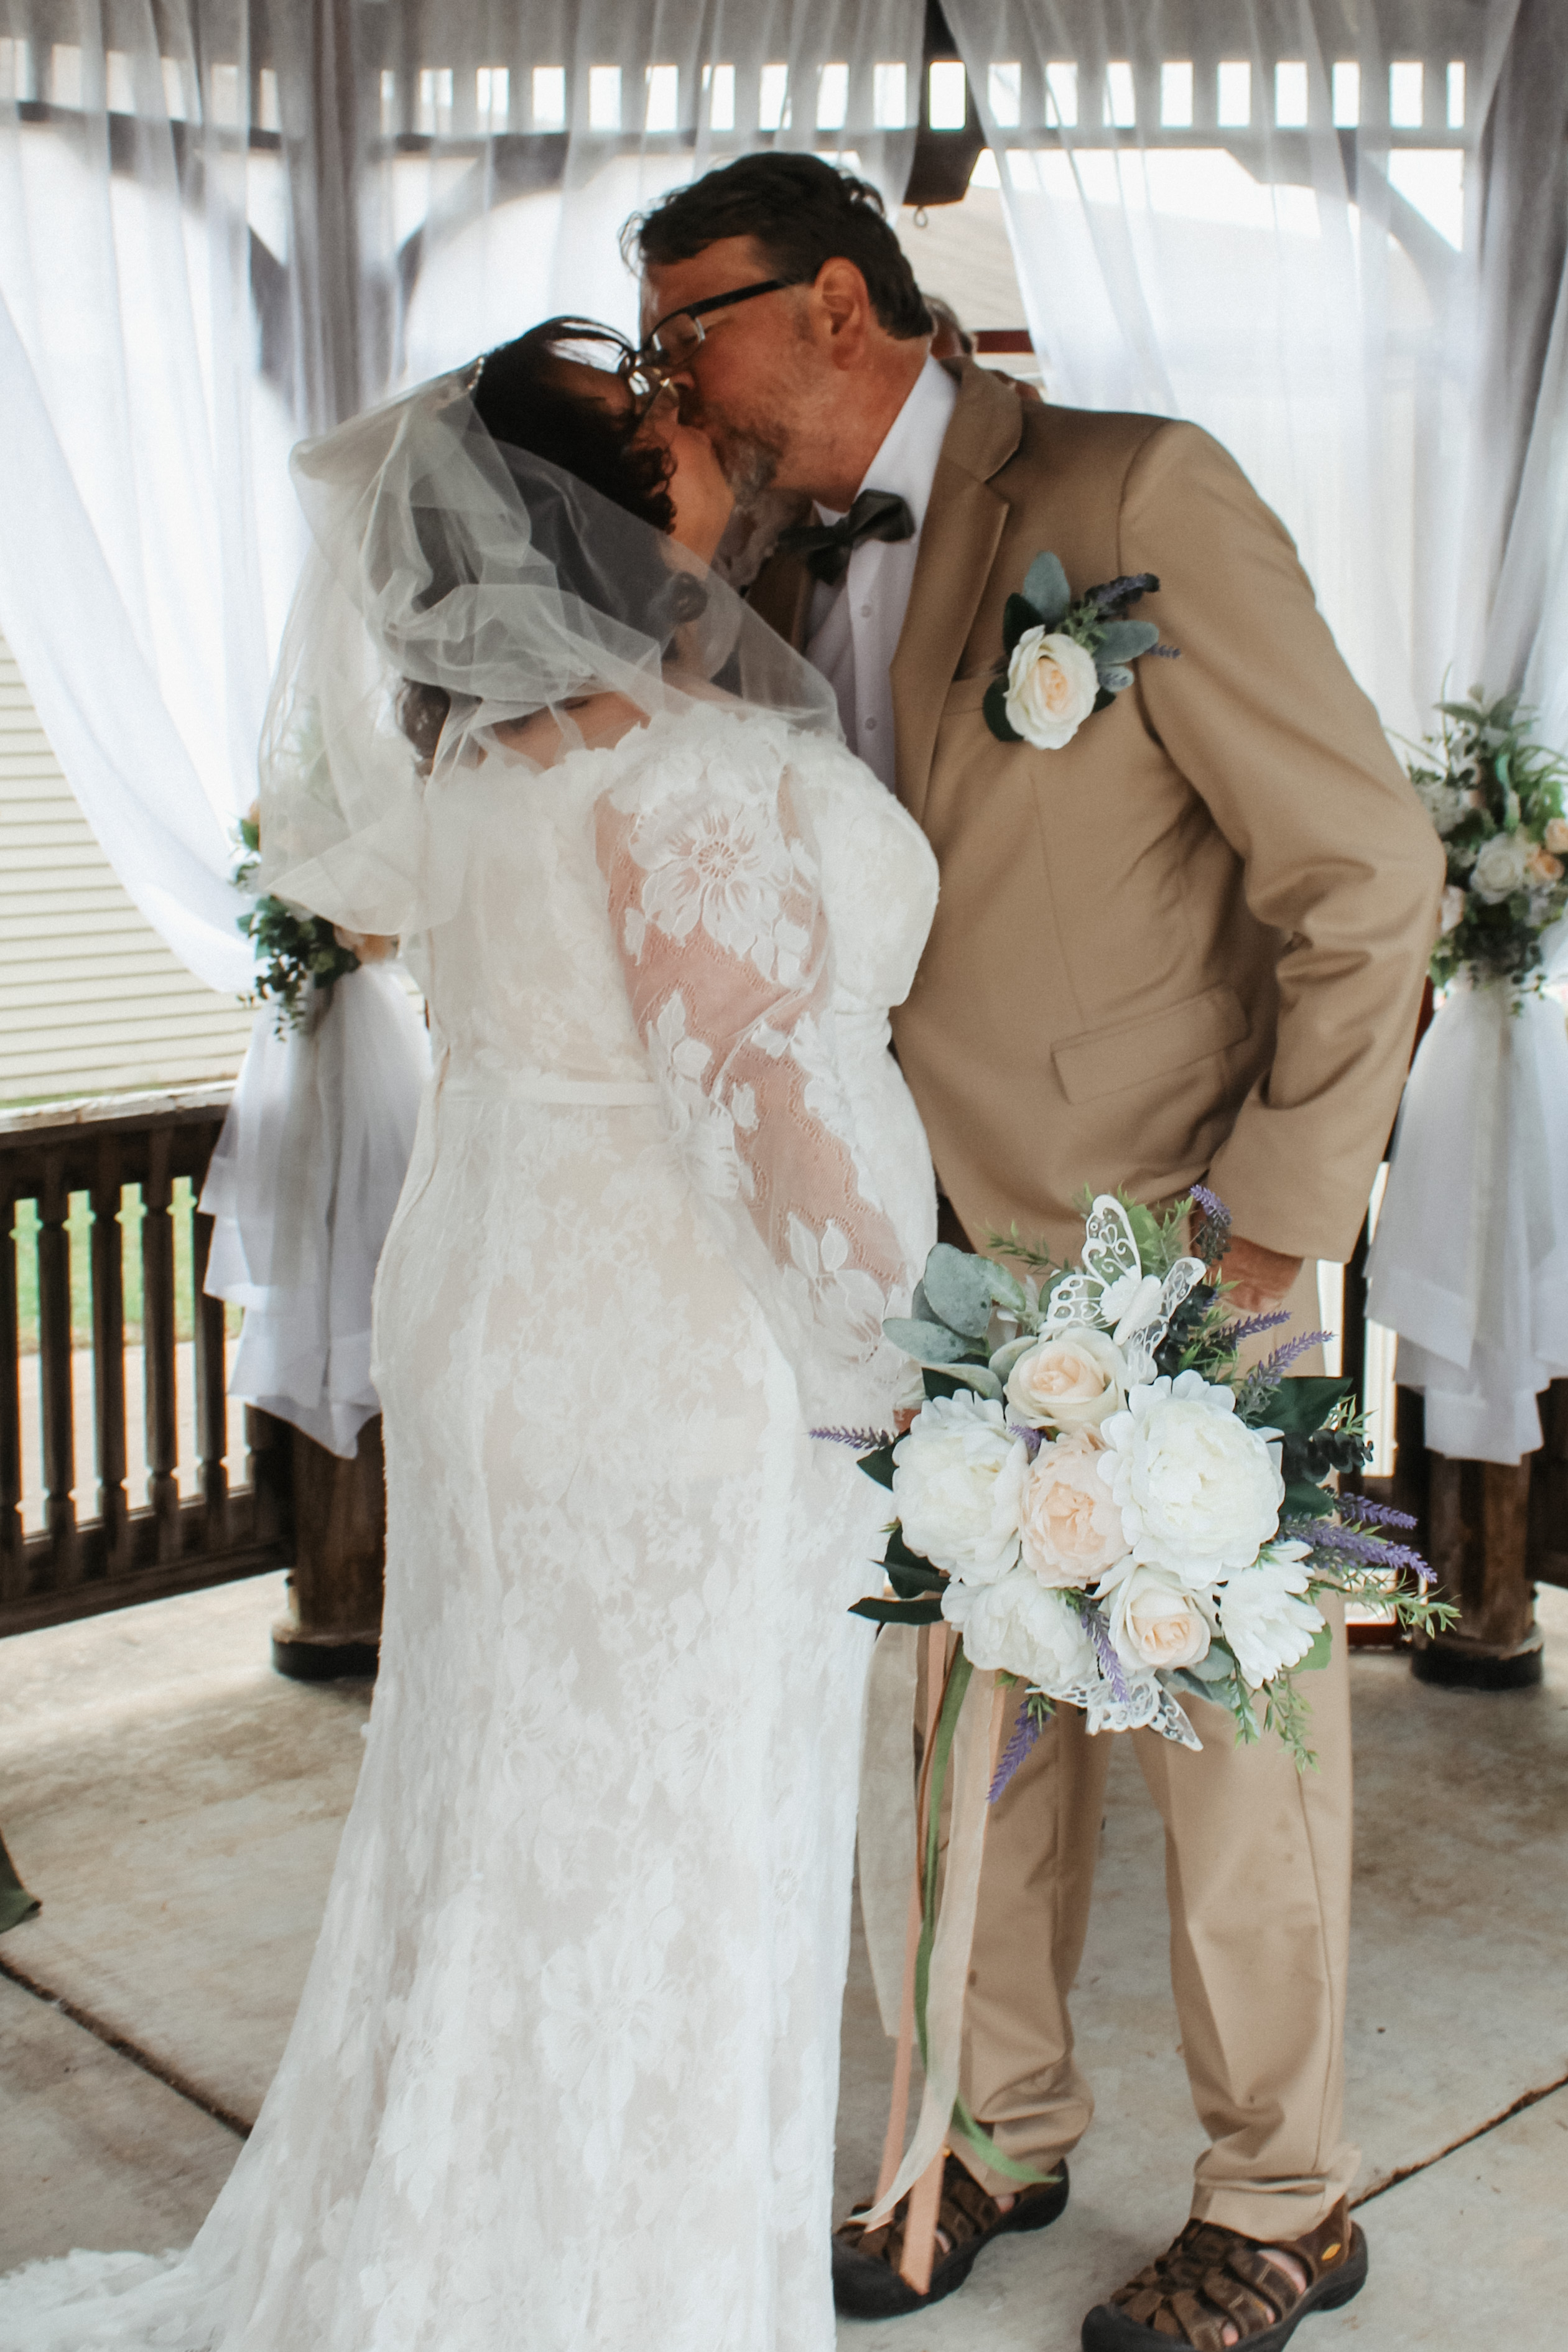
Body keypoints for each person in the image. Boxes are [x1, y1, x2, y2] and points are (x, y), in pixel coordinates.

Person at [0, 321, 939, 2351]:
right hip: (675, 1360)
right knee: (677, 1844)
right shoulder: (688, 777)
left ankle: (443, 2253)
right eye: (662, 433)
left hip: (502, 1311)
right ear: (599, 530)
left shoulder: (474, 766)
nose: (698, 443)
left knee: (506, 1811)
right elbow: (761, 1119)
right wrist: (914, 1371)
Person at [629, 152, 1444, 2352]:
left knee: (1227, 1755)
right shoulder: (756, 573)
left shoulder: (1130, 490)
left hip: (1176, 1254)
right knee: (958, 1732)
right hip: (913, 1261)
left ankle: (1284, 2198)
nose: (661, 368)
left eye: (684, 319)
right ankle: (988, 2128)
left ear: (824, 302)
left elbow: (1367, 873)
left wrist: (1273, 1228)